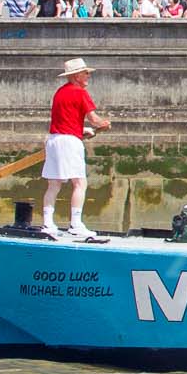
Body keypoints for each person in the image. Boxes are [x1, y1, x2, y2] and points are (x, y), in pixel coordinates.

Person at [41, 57, 110, 241]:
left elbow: (64, 120)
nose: (88, 76)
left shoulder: (59, 93)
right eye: (85, 73)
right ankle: (76, 224)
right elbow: (95, 120)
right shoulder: (80, 93)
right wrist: (104, 124)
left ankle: (48, 223)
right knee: (79, 183)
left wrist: (82, 131)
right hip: (70, 142)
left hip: (54, 140)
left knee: (54, 184)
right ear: (76, 75)